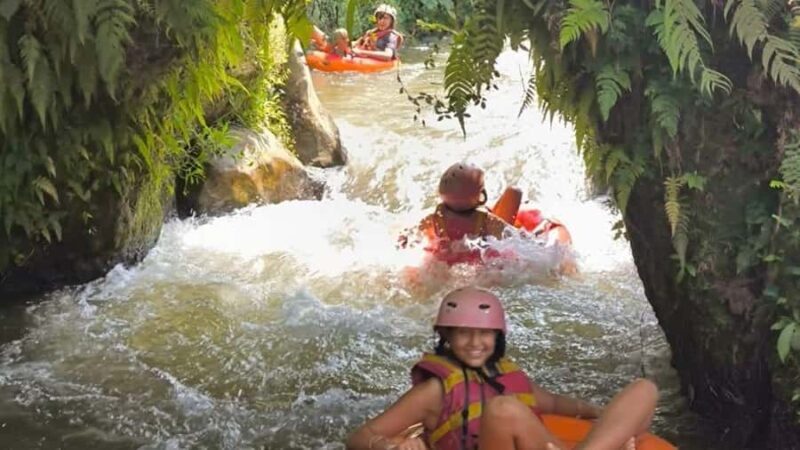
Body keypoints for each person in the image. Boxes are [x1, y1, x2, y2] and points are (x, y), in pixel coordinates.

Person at [345, 287, 659, 450]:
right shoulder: (434, 391)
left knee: (645, 389)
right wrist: (388, 445)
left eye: (484, 333)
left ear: (498, 337)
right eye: (463, 333)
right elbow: (361, 436)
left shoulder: (507, 375)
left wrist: (610, 417)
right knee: (503, 410)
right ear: (447, 338)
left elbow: (561, 405)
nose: (474, 342)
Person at [400, 163, 512, 265]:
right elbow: (511, 235)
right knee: (515, 192)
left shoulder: (437, 216)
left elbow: (413, 232)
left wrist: (404, 237)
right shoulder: (484, 219)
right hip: (476, 265)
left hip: (444, 263)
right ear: (481, 195)